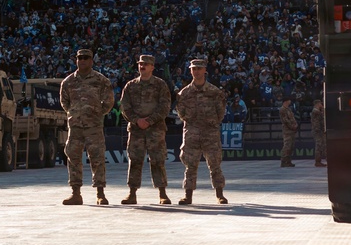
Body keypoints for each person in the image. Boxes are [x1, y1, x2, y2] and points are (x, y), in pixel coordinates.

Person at [59, 48, 115, 205]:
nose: (82, 60)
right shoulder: (68, 82)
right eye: (79, 58)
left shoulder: (100, 80)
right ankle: (75, 193)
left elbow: (109, 101)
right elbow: (65, 103)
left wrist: (97, 114)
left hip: (93, 127)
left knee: (97, 158)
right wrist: (75, 113)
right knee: (73, 158)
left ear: (91, 60)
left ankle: (100, 193)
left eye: (85, 57)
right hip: (75, 127)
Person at [119, 54, 173, 205]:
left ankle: (162, 193)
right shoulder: (130, 86)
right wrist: (137, 120)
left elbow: (165, 106)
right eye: (140, 64)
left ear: (152, 67)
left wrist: (149, 121)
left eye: (146, 64)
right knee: (135, 160)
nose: (142, 66)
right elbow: (124, 106)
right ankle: (132, 193)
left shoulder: (160, 85)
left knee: (158, 160)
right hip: (136, 130)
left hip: (155, 129)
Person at [176, 59, 228, 205]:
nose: (196, 71)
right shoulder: (184, 93)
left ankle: (220, 194)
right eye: (194, 69)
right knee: (190, 165)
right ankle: (188, 196)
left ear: (205, 70)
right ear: (190, 71)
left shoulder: (214, 92)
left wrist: (210, 123)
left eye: (199, 68)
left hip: (210, 132)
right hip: (192, 132)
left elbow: (220, 112)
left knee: (215, 164)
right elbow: (181, 112)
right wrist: (193, 122)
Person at [280, 97, 299, 167]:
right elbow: (285, 120)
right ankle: (284, 161)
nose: (290, 101)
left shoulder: (289, 109)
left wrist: (295, 124)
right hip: (287, 131)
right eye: (289, 100)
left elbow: (292, 118)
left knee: (291, 146)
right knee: (287, 146)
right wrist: (292, 126)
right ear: (286, 101)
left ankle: (288, 161)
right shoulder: (282, 109)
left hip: (292, 131)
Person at [311, 98, 326, 167]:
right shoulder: (315, 111)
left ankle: (319, 161)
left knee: (321, 145)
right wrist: (323, 109)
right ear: (317, 104)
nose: (321, 105)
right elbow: (322, 117)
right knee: (318, 145)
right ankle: (317, 161)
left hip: (319, 130)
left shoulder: (317, 111)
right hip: (318, 131)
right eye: (320, 103)